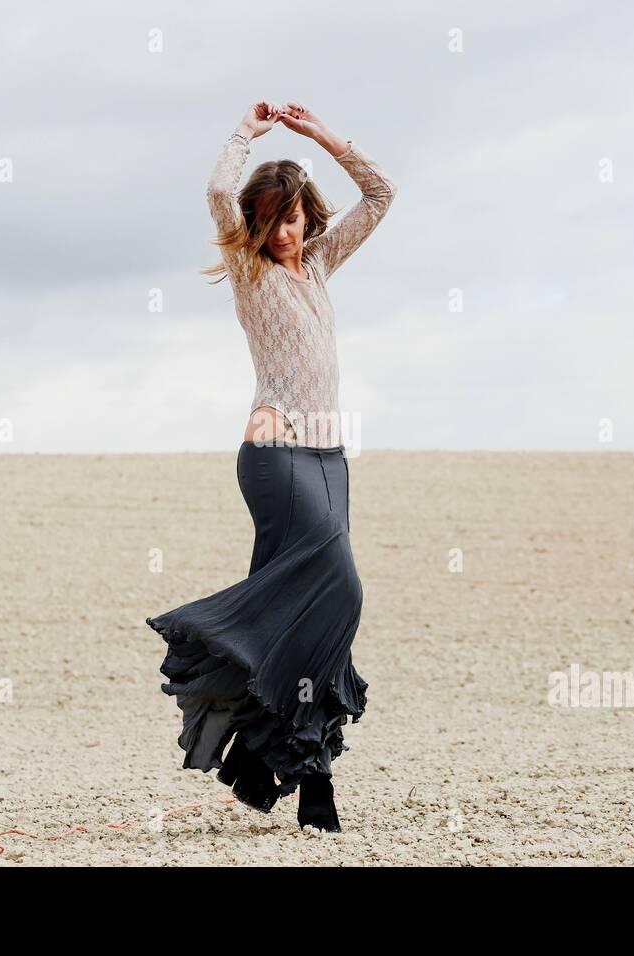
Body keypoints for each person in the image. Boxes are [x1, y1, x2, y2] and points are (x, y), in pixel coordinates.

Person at [146, 100, 396, 832]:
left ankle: (308, 775)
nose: (284, 232)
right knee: (340, 584)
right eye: (272, 219)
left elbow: (382, 193)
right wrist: (244, 136)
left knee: (321, 620)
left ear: (306, 216)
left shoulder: (319, 263)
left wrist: (321, 136)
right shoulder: (252, 271)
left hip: (329, 457)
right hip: (273, 451)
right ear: (257, 224)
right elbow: (219, 195)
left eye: (293, 217)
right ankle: (208, 635)